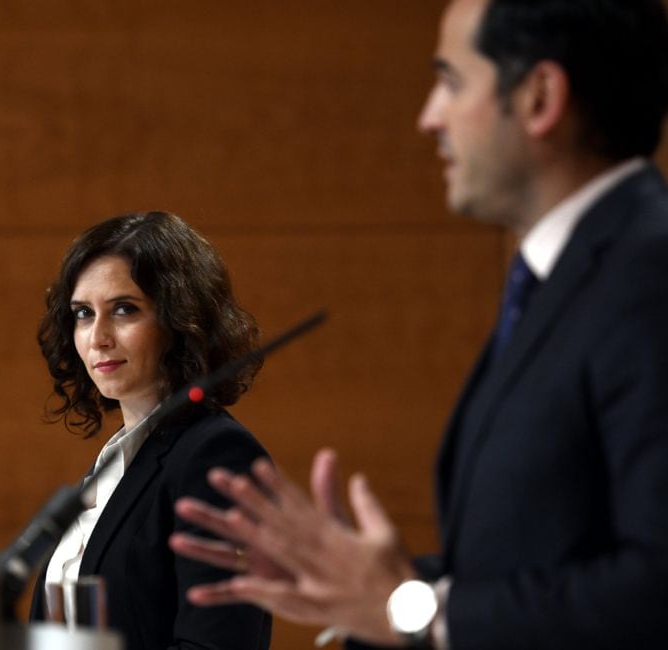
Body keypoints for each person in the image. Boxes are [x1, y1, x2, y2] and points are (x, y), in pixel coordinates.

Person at [168, 0, 668, 648]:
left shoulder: (647, 275)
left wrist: (419, 611)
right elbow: (540, 561)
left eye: (453, 82)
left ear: (541, 97)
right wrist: (356, 583)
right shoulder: (566, 277)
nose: (429, 117)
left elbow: (655, 586)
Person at [30, 211, 272, 649]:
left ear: (180, 320)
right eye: (83, 314)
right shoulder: (114, 464)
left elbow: (218, 643)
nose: (97, 337)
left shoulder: (216, 453)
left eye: (124, 309)